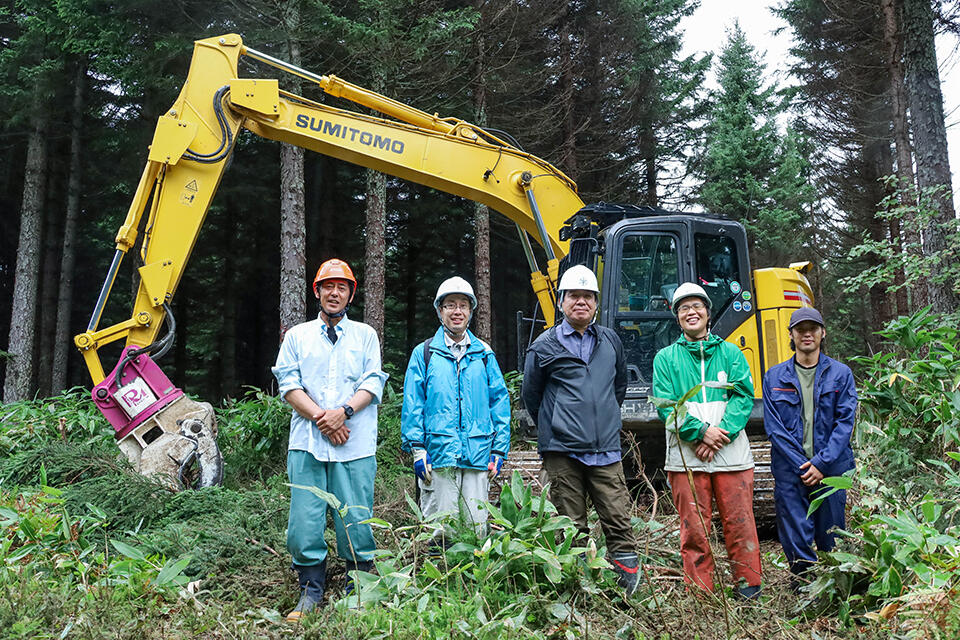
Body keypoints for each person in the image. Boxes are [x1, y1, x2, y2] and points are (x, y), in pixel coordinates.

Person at [272, 258, 388, 621]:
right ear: (317, 292)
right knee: (305, 518)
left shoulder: (366, 335)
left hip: (355, 442)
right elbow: (288, 384)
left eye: (341, 287)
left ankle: (360, 587)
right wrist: (325, 418)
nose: (334, 293)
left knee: (355, 514)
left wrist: (344, 413)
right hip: (307, 441)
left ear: (350, 293)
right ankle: (310, 589)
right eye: (328, 286)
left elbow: (372, 381)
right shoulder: (297, 336)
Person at [521, 264, 639, 595]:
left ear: (596, 304)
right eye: (574, 295)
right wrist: (559, 424)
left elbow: (618, 388)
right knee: (570, 527)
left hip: (606, 450)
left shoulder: (610, 341)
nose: (581, 302)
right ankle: (578, 594)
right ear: (561, 302)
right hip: (562, 453)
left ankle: (624, 592)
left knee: (618, 521)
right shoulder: (543, 347)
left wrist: (602, 420)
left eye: (588, 296)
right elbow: (532, 397)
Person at [652, 282, 762, 599]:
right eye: (684, 308)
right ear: (677, 317)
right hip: (686, 458)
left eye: (697, 306)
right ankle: (702, 592)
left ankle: (749, 587)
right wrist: (702, 432)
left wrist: (717, 435)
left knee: (739, 522)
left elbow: (743, 398)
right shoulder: (665, 359)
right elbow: (666, 406)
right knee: (694, 529)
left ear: (708, 313)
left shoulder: (730, 353)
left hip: (731, 456)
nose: (691, 312)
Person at [400, 276, 511, 536]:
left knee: (476, 526)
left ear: (471, 311)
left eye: (463, 305)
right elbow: (413, 404)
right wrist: (417, 449)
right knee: (441, 528)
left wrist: (499, 450)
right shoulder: (425, 353)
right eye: (450, 305)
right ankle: (440, 576)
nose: (457, 311)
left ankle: (475, 578)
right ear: (440, 311)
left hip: (477, 454)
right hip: (438, 457)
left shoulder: (483, 354)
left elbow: (499, 402)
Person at [763, 307, 857, 581]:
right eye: (800, 329)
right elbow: (775, 429)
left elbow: (844, 425)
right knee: (795, 534)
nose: (807, 334)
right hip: (790, 470)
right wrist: (803, 466)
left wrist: (820, 463)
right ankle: (804, 585)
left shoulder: (841, 374)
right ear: (791, 334)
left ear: (822, 333)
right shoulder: (774, 377)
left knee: (832, 532)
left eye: (813, 328)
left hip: (832, 469)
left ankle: (833, 585)